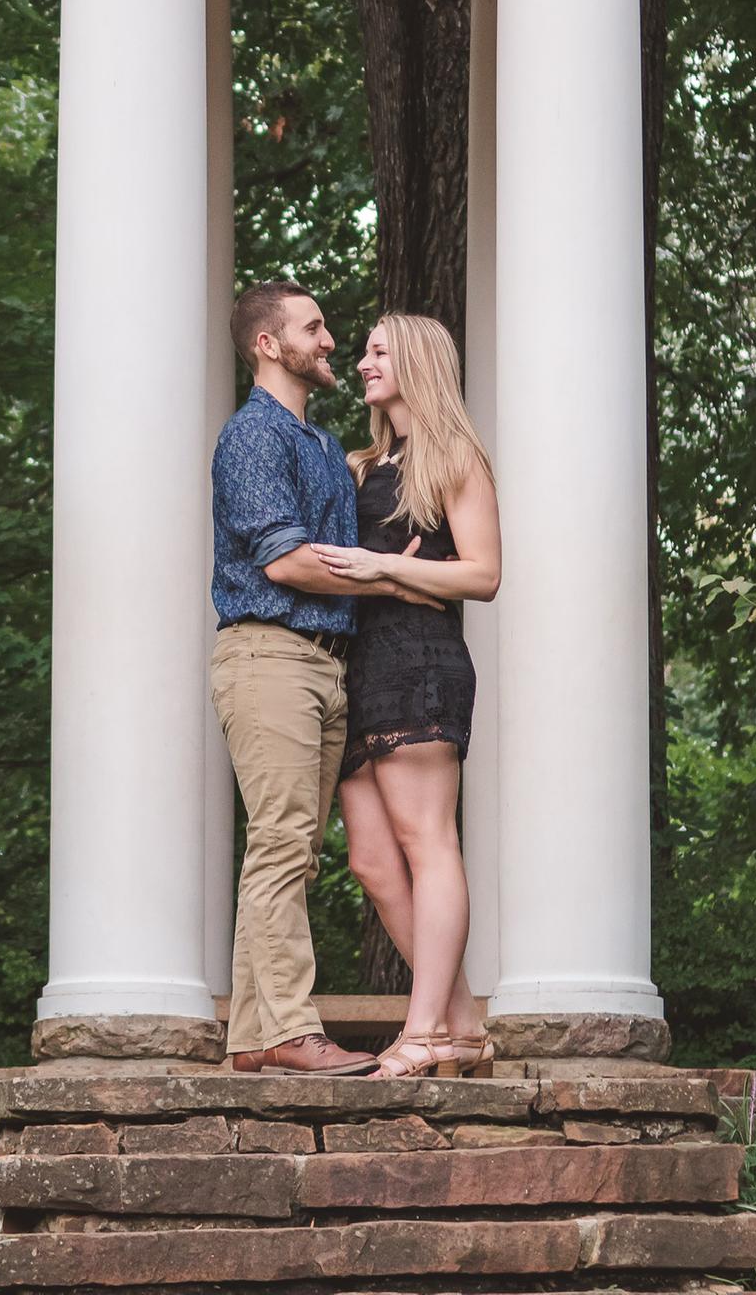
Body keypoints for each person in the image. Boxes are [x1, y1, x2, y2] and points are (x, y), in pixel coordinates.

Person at [210, 281, 431, 1075]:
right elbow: (286, 561)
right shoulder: (253, 436)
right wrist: (391, 577)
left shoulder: (322, 445)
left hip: (324, 663)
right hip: (270, 655)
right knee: (281, 844)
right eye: (313, 328)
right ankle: (291, 1030)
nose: (330, 340)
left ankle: (252, 1040)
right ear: (269, 345)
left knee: (293, 850)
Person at [313, 313, 502, 1080]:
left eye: (378, 352)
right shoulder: (359, 465)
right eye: (363, 351)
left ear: (418, 363)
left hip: (421, 661)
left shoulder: (453, 457)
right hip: (357, 667)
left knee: (428, 842)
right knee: (370, 862)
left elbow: (483, 574)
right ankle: (462, 1025)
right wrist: (381, 574)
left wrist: (388, 569)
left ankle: (423, 1033)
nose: (362, 362)